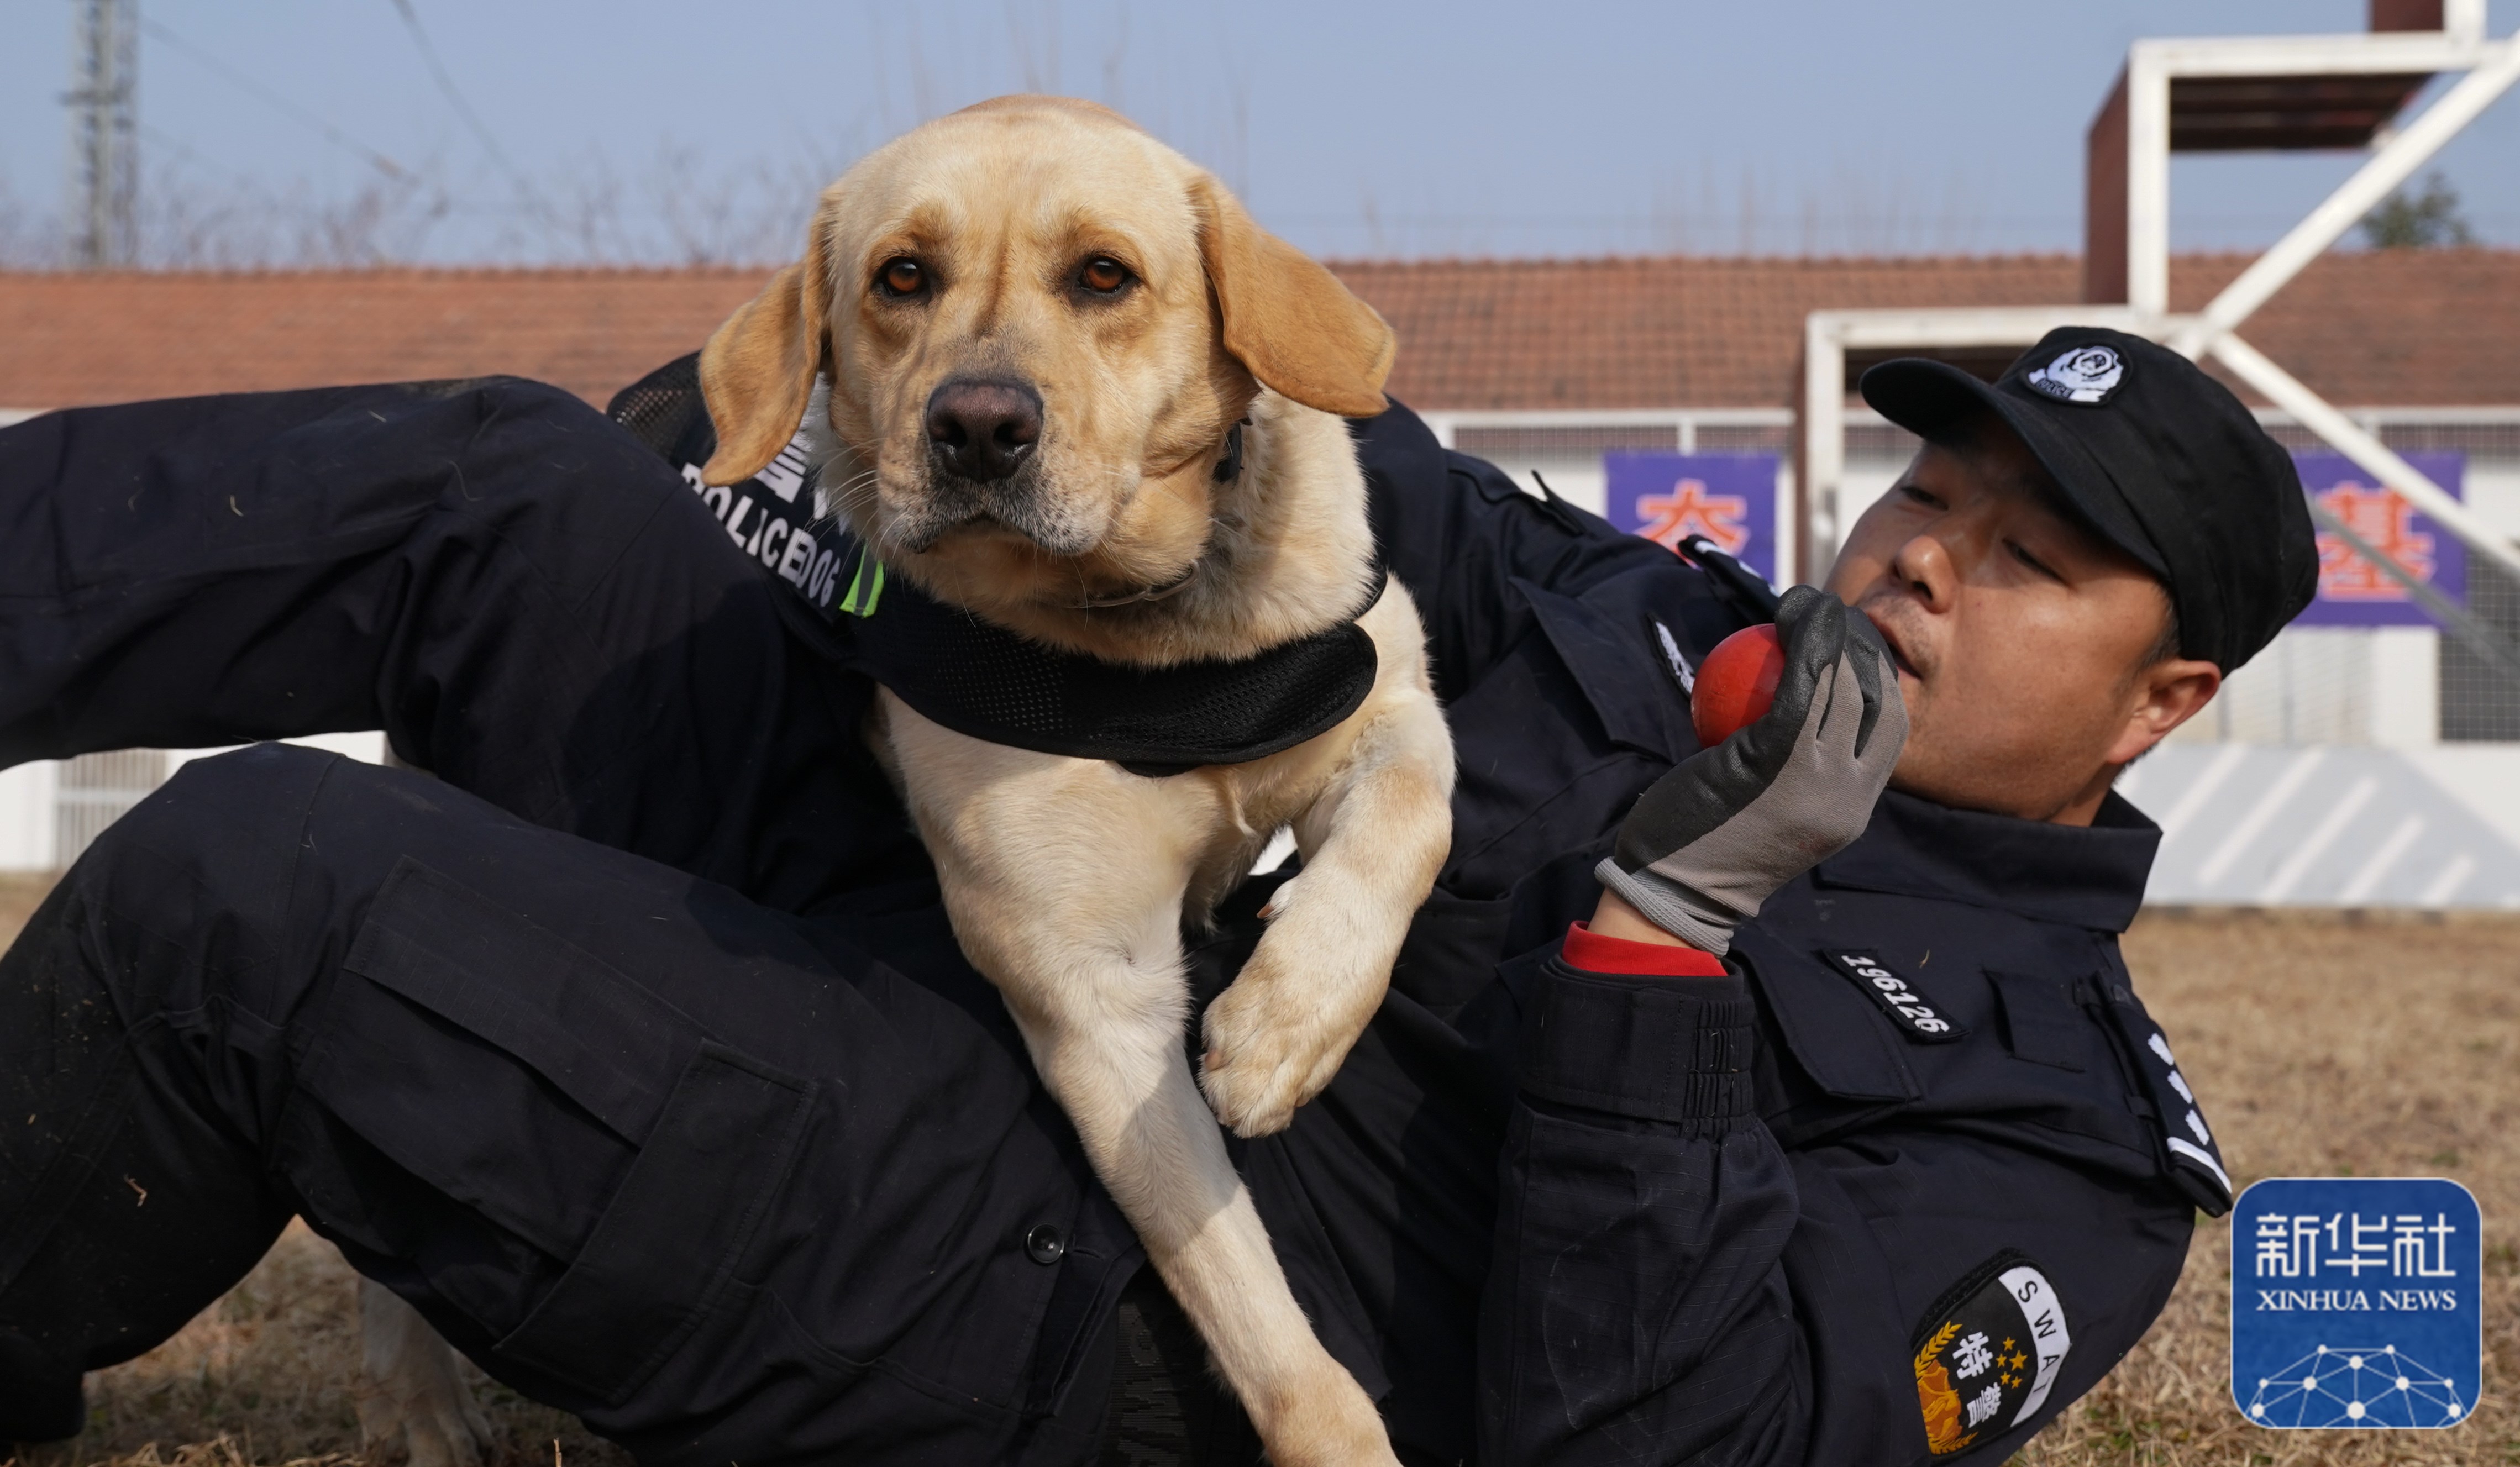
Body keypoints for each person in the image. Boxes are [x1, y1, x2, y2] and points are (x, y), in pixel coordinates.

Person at [0, 327, 2313, 1465]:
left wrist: (1666, 939)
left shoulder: (2067, 1147)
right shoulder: (1645, 617)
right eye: (1934, 489)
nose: (1921, 559)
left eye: (2029, 561)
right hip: (1006, 943)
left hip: (1048, 1275)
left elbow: (1655, 1441)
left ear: (2163, 698)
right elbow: (1361, 471)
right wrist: (1008, 389)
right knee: (514, 483)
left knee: (249, 881)